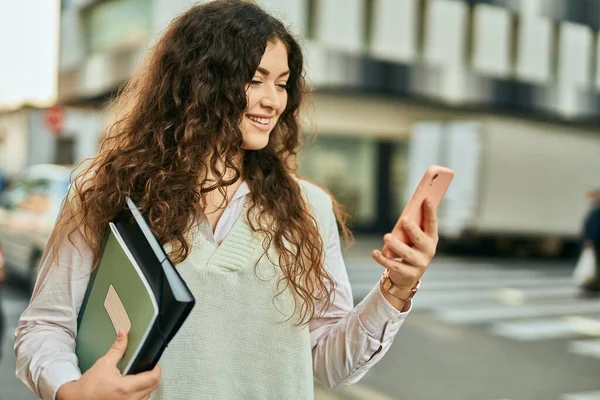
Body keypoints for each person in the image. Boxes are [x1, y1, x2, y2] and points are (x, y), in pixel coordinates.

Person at [14, 1, 440, 399]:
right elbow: (45, 327)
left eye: (282, 83)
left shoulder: (309, 208)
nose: (273, 101)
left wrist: (397, 288)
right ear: (197, 82)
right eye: (254, 80)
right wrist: (70, 389)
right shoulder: (106, 189)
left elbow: (330, 365)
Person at [579, 188, 600, 294]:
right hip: (595, 242)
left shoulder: (597, 210)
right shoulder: (595, 209)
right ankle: (594, 284)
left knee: (596, 264)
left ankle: (595, 284)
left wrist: (590, 240)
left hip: (596, 242)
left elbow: (594, 228)